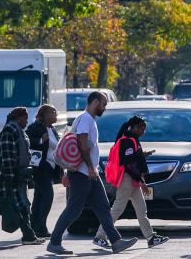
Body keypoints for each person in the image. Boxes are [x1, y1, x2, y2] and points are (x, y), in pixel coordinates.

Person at [46, 92, 138, 255]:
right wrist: (88, 167)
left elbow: (77, 147)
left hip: (87, 172)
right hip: (84, 173)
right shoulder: (86, 119)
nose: (105, 107)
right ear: (95, 102)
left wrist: (74, 169)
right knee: (74, 210)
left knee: (103, 207)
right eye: (103, 103)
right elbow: (81, 143)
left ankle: (116, 241)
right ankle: (54, 242)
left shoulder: (86, 119)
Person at [0, 107, 46, 247]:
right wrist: (11, 179)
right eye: (25, 118)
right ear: (18, 118)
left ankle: (28, 236)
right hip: (4, 177)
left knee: (19, 205)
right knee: (1, 208)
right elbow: (7, 157)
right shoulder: (9, 131)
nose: (26, 122)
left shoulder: (17, 131)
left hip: (12, 176)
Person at [93, 116, 168, 249]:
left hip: (132, 180)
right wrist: (141, 182)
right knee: (118, 208)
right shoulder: (127, 141)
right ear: (134, 127)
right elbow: (129, 164)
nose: (143, 132)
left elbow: (132, 157)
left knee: (141, 209)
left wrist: (143, 155)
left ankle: (150, 237)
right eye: (141, 128)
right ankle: (100, 236)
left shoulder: (131, 140)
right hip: (128, 179)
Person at [25, 104, 61, 238]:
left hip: (50, 168)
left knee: (39, 198)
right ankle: (41, 226)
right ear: (44, 115)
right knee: (47, 196)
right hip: (40, 168)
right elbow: (26, 140)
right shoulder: (36, 127)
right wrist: (40, 140)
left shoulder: (52, 129)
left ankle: (34, 227)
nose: (55, 114)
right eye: (52, 112)